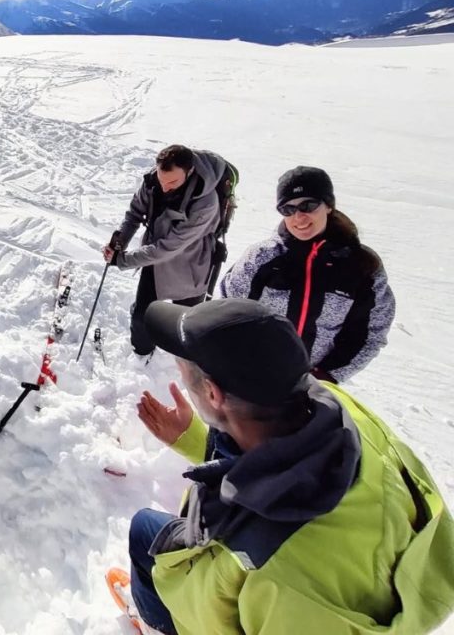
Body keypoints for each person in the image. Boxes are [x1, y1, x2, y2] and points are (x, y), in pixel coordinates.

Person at [125, 298, 454, 635]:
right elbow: (275, 456)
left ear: (212, 394)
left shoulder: (281, 577)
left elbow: (289, 586)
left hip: (259, 597)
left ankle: (157, 625)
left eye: (184, 373)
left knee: (143, 533)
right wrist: (195, 439)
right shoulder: (341, 409)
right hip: (355, 573)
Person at [220, 166, 395, 382]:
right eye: (288, 209)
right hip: (253, 375)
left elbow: (371, 333)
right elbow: (226, 312)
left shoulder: (361, 266)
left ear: (328, 205)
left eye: (308, 206)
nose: (299, 217)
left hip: (314, 385)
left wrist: (326, 376)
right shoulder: (262, 257)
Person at [102, 145, 229, 356]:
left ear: (190, 171)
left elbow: (168, 247)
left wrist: (122, 260)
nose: (164, 187)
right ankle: (142, 357)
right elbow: (135, 213)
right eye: (162, 180)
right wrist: (119, 243)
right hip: (154, 262)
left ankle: (181, 364)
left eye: (172, 182)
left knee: (186, 325)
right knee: (142, 318)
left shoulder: (206, 203)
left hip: (191, 267)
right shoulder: (153, 181)